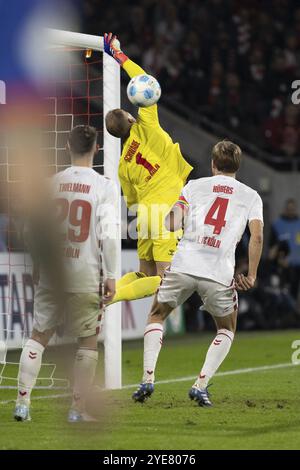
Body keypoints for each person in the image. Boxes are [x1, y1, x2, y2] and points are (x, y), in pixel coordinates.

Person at [132, 140, 264, 406]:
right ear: (238, 166)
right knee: (226, 328)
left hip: (183, 264)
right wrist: (251, 274)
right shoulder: (251, 196)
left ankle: (147, 378)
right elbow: (257, 236)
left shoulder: (194, 186)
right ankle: (200, 385)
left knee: (157, 315)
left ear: (213, 164)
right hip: (219, 272)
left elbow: (170, 224)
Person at [14, 125, 118, 422]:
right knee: (87, 341)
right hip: (87, 274)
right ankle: (77, 410)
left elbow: (30, 230)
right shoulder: (105, 185)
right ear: (96, 148)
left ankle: (23, 404)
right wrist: (111, 274)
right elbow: (109, 233)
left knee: (38, 336)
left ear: (67, 147)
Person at [103, 32, 193, 305]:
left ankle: (109, 290)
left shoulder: (122, 165)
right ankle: (113, 296)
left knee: (145, 274)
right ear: (131, 116)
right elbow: (142, 79)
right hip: (167, 212)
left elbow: (130, 200)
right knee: (165, 281)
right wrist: (119, 55)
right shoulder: (148, 125)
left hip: (144, 216)